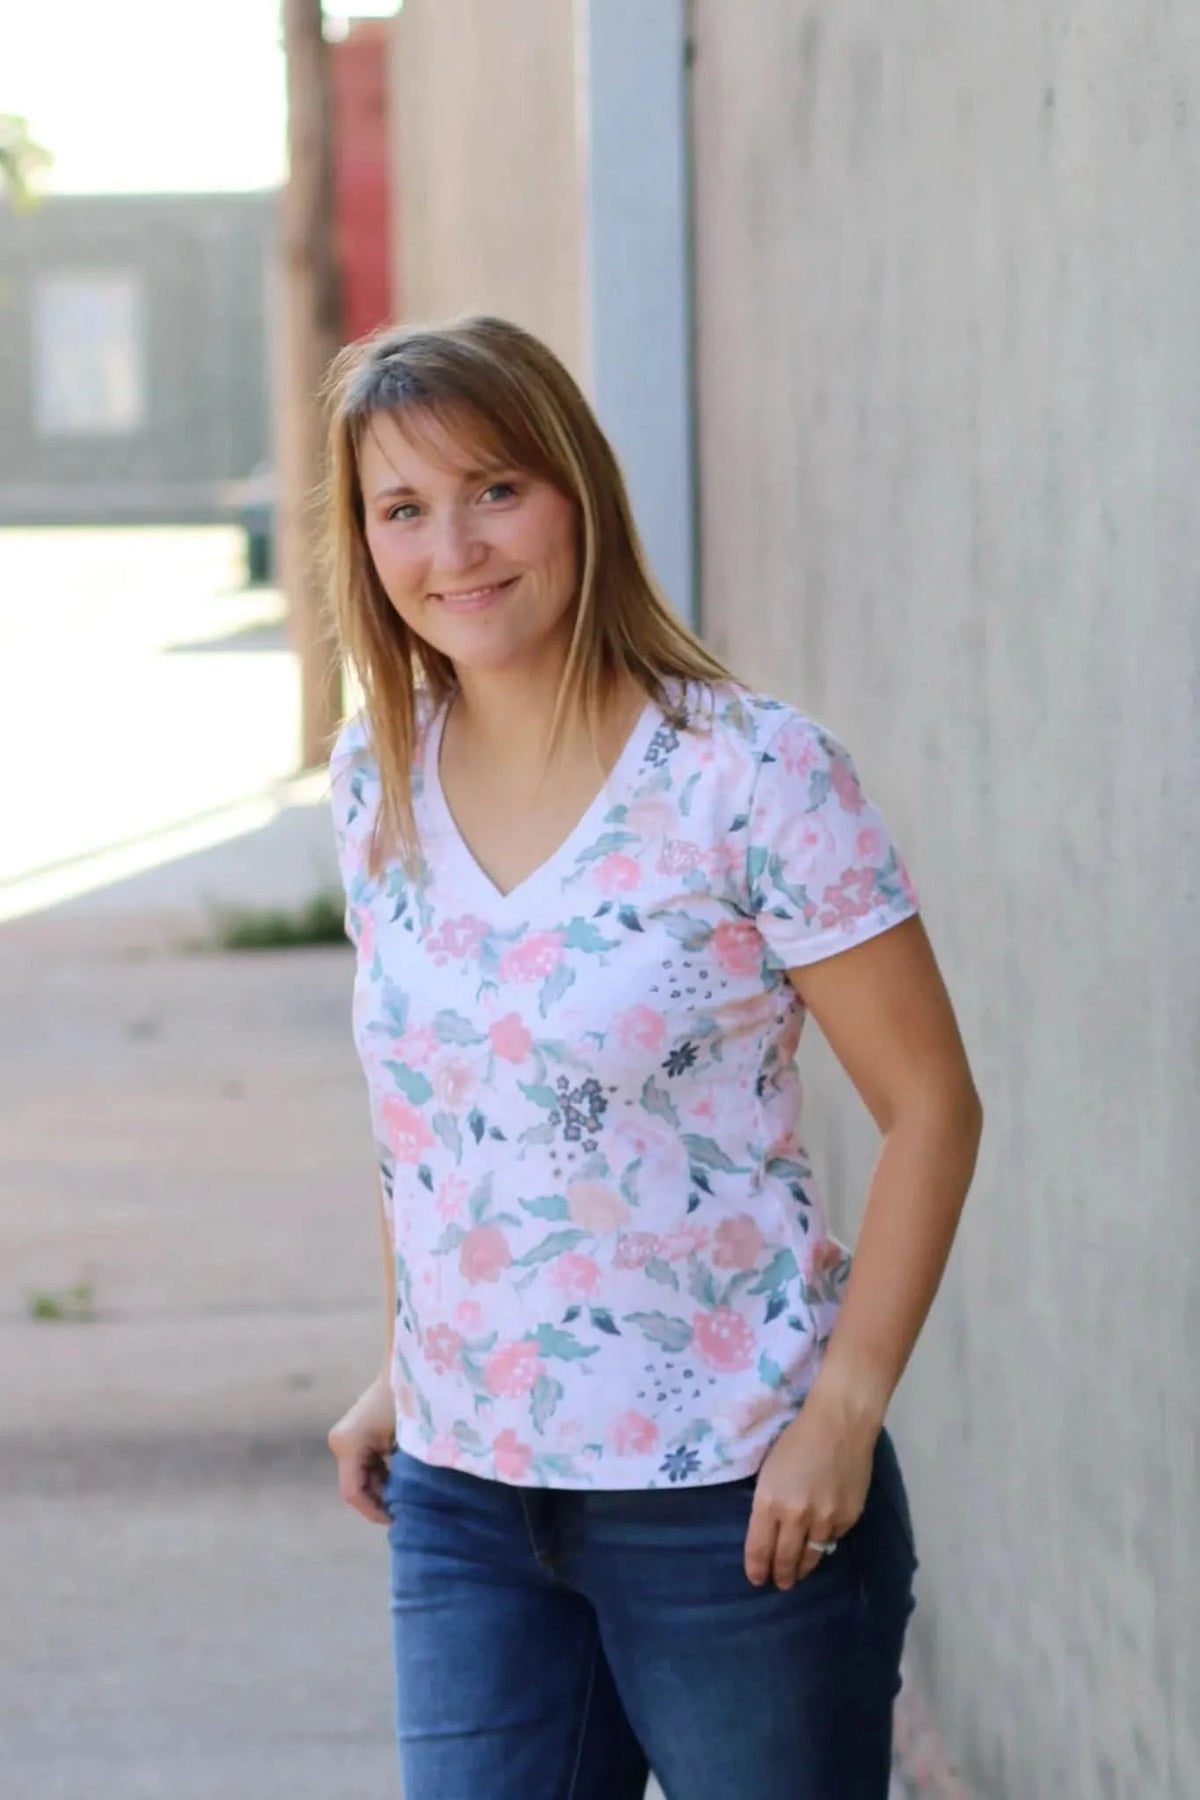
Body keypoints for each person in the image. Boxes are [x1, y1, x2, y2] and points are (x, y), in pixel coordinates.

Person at [324, 315, 983, 1800]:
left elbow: (932, 1105)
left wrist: (845, 1413)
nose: (456, 548)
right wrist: (400, 1369)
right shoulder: (376, 777)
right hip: (467, 1498)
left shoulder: (751, 772)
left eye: (496, 488)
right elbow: (432, 1121)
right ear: (362, 540)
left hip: (732, 1497)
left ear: (578, 493)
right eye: (403, 508)